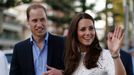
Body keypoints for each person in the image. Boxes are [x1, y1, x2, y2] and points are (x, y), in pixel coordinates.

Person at [10, 4, 64, 75]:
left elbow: (76, 71)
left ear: (46, 20)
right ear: (28, 22)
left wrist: (62, 73)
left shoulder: (63, 43)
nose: (39, 24)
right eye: (34, 20)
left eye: (42, 19)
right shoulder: (19, 49)